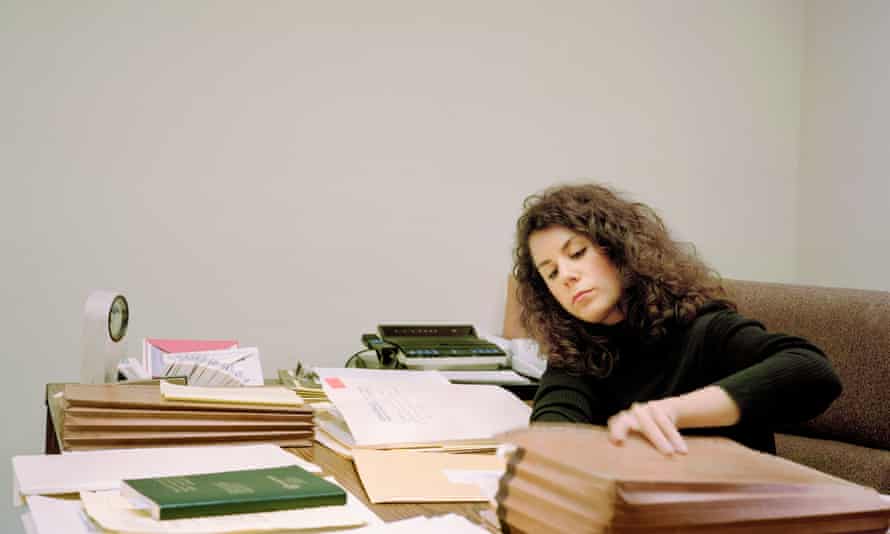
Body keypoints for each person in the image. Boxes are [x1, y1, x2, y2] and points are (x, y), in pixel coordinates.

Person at [512, 183, 841, 456]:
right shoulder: (579, 350)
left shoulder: (702, 328)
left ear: (616, 248)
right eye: (551, 273)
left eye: (577, 253)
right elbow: (554, 427)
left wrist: (672, 411)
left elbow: (812, 371)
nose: (566, 276)